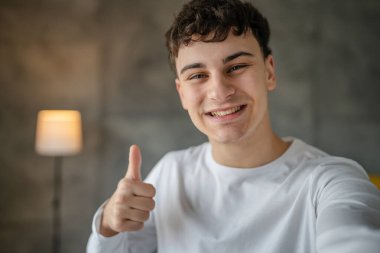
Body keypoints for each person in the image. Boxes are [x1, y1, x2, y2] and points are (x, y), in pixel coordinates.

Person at [87, 0, 380, 252]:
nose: (219, 91)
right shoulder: (170, 174)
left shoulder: (329, 181)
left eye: (236, 67)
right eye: (198, 75)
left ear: (269, 72)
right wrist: (109, 222)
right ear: (182, 93)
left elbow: (355, 236)